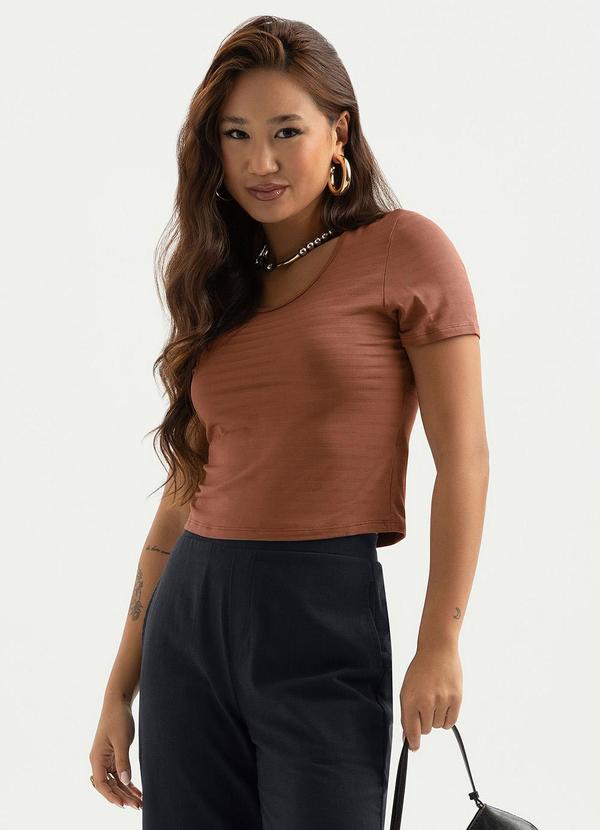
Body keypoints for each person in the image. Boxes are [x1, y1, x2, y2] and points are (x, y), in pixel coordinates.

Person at [88, 14, 488, 830]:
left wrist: (440, 643)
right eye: (236, 134)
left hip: (321, 611)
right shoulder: (221, 282)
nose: (260, 161)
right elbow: (184, 494)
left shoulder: (406, 250)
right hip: (189, 619)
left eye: (286, 131)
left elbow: (465, 457)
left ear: (339, 132)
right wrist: (118, 688)